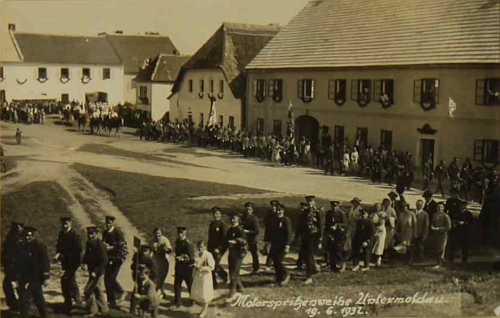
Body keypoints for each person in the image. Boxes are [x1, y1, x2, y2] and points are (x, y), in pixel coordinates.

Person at [18, 226, 50, 318]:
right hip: (25, 277)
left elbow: (45, 263)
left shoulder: (39, 246)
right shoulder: (23, 246)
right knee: (38, 298)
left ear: (33, 235)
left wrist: (46, 277)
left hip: (35, 277)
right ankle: (45, 315)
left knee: (26, 299)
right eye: (25, 236)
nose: (27, 238)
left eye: (29, 236)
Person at [54, 217, 83, 315]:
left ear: (70, 224)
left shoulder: (75, 236)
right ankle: (77, 301)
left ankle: (69, 304)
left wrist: (62, 255)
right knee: (71, 281)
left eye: (66, 223)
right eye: (63, 223)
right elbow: (59, 245)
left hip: (73, 263)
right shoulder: (61, 233)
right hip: (65, 262)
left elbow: (77, 252)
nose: (64, 225)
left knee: (66, 281)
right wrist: (57, 253)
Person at [294, 195, 324, 284]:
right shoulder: (304, 213)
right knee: (306, 255)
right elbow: (300, 226)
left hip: (313, 237)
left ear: (314, 202)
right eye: (308, 202)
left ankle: (309, 276)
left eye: (311, 201)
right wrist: (296, 237)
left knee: (308, 255)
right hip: (305, 236)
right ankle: (315, 267)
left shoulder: (318, 213)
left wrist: (320, 239)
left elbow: (321, 226)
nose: (310, 203)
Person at [82, 226, 109, 317]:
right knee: (96, 290)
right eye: (89, 234)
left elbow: (105, 260)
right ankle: (101, 310)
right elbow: (87, 254)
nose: (90, 236)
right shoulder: (89, 243)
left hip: (98, 272)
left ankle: (94, 310)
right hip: (92, 271)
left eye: (92, 234)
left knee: (89, 290)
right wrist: (83, 262)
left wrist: (96, 272)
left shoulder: (99, 245)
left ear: (96, 234)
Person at [102, 215, 128, 308]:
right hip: (109, 258)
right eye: (107, 222)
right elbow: (104, 243)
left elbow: (122, 244)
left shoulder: (117, 232)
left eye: (110, 222)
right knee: (106, 279)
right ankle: (111, 301)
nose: (108, 224)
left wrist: (111, 247)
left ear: (113, 222)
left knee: (111, 278)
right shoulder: (105, 232)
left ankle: (120, 291)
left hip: (117, 258)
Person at [265, 203, 292, 285]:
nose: (278, 212)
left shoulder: (286, 220)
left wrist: (287, 245)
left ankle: (286, 274)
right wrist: (267, 242)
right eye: (277, 210)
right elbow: (269, 232)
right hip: (274, 244)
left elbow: (289, 234)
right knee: (275, 262)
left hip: (282, 245)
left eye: (280, 210)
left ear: (283, 211)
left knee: (279, 261)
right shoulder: (273, 219)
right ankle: (278, 279)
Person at [1, 222, 24, 313]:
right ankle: (14, 305)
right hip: (10, 267)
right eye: (16, 225)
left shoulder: (25, 237)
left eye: (19, 225)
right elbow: (5, 252)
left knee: (20, 287)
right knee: (7, 285)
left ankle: (22, 306)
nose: (17, 227)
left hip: (21, 268)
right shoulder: (10, 237)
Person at [226, 213, 248, 302]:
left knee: (233, 273)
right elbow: (226, 241)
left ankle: (231, 293)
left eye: (234, 219)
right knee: (232, 272)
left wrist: (236, 241)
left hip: (239, 254)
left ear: (238, 220)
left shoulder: (240, 230)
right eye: (231, 219)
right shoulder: (230, 230)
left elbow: (245, 241)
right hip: (231, 253)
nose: (232, 220)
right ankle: (241, 288)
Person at [191, 241, 215, 318]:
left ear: (205, 247)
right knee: (199, 292)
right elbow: (196, 263)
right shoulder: (197, 254)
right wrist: (194, 270)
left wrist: (203, 268)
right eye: (199, 247)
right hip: (199, 276)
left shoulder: (208, 255)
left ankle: (204, 310)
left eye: (201, 247)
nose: (200, 248)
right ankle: (203, 308)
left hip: (206, 276)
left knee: (205, 293)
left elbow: (212, 267)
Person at [172, 226, 195, 308]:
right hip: (179, 267)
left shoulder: (188, 244)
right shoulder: (177, 241)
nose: (180, 234)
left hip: (187, 268)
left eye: (181, 233)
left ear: (185, 233)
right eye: (178, 233)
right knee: (177, 284)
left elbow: (191, 258)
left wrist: (181, 258)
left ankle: (193, 300)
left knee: (190, 285)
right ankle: (178, 302)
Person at [447, 199, 474, 264]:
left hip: (464, 232)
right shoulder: (456, 212)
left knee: (464, 246)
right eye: (461, 205)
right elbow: (452, 219)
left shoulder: (468, 214)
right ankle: (451, 259)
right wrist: (454, 223)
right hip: (456, 231)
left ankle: (464, 260)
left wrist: (464, 223)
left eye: (464, 205)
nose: (462, 206)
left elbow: (471, 223)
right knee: (453, 245)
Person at [207, 207, 228, 288]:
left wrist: (219, 249)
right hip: (211, 248)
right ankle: (213, 283)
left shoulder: (222, 225)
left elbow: (224, 239)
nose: (216, 215)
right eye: (215, 214)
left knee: (215, 266)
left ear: (220, 215)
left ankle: (225, 275)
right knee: (211, 265)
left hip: (218, 249)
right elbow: (210, 237)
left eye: (218, 214)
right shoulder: (212, 224)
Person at [324, 201, 347, 272]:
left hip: (338, 234)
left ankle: (342, 264)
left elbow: (345, 224)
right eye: (333, 206)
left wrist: (337, 226)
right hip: (330, 234)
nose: (334, 208)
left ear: (338, 207)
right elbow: (326, 223)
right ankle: (332, 266)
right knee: (331, 250)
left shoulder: (341, 214)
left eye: (336, 206)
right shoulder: (328, 213)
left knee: (338, 251)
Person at [151, 227, 172, 299]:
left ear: (161, 233)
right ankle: (161, 292)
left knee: (162, 277)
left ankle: (159, 291)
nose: (157, 235)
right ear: (154, 234)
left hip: (164, 261)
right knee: (156, 276)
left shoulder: (165, 240)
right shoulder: (152, 241)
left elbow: (169, 250)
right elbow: (150, 250)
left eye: (159, 233)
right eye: (156, 234)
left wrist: (165, 249)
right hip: (156, 261)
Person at [430, 202, 451, 269]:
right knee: (436, 248)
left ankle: (440, 264)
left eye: (441, 207)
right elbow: (432, 223)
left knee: (441, 249)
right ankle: (439, 262)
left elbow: (449, 227)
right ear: (436, 208)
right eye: (438, 207)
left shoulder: (446, 216)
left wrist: (439, 228)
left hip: (443, 235)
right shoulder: (435, 215)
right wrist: (432, 227)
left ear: (443, 208)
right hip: (436, 234)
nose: (439, 208)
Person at [242, 202, 260, 274]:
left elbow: (257, 231)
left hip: (253, 239)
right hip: (246, 238)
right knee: (242, 252)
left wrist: (248, 231)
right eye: (246, 209)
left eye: (249, 209)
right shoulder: (244, 217)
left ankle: (256, 268)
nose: (247, 211)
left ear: (252, 210)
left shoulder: (254, 218)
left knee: (254, 253)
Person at [264, 201, 279, 272]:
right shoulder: (268, 215)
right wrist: (266, 238)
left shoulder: (279, 215)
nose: (273, 208)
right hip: (271, 235)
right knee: (271, 250)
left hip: (278, 236)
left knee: (276, 251)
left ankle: (271, 264)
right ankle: (268, 265)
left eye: (275, 206)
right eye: (272, 206)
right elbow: (267, 227)